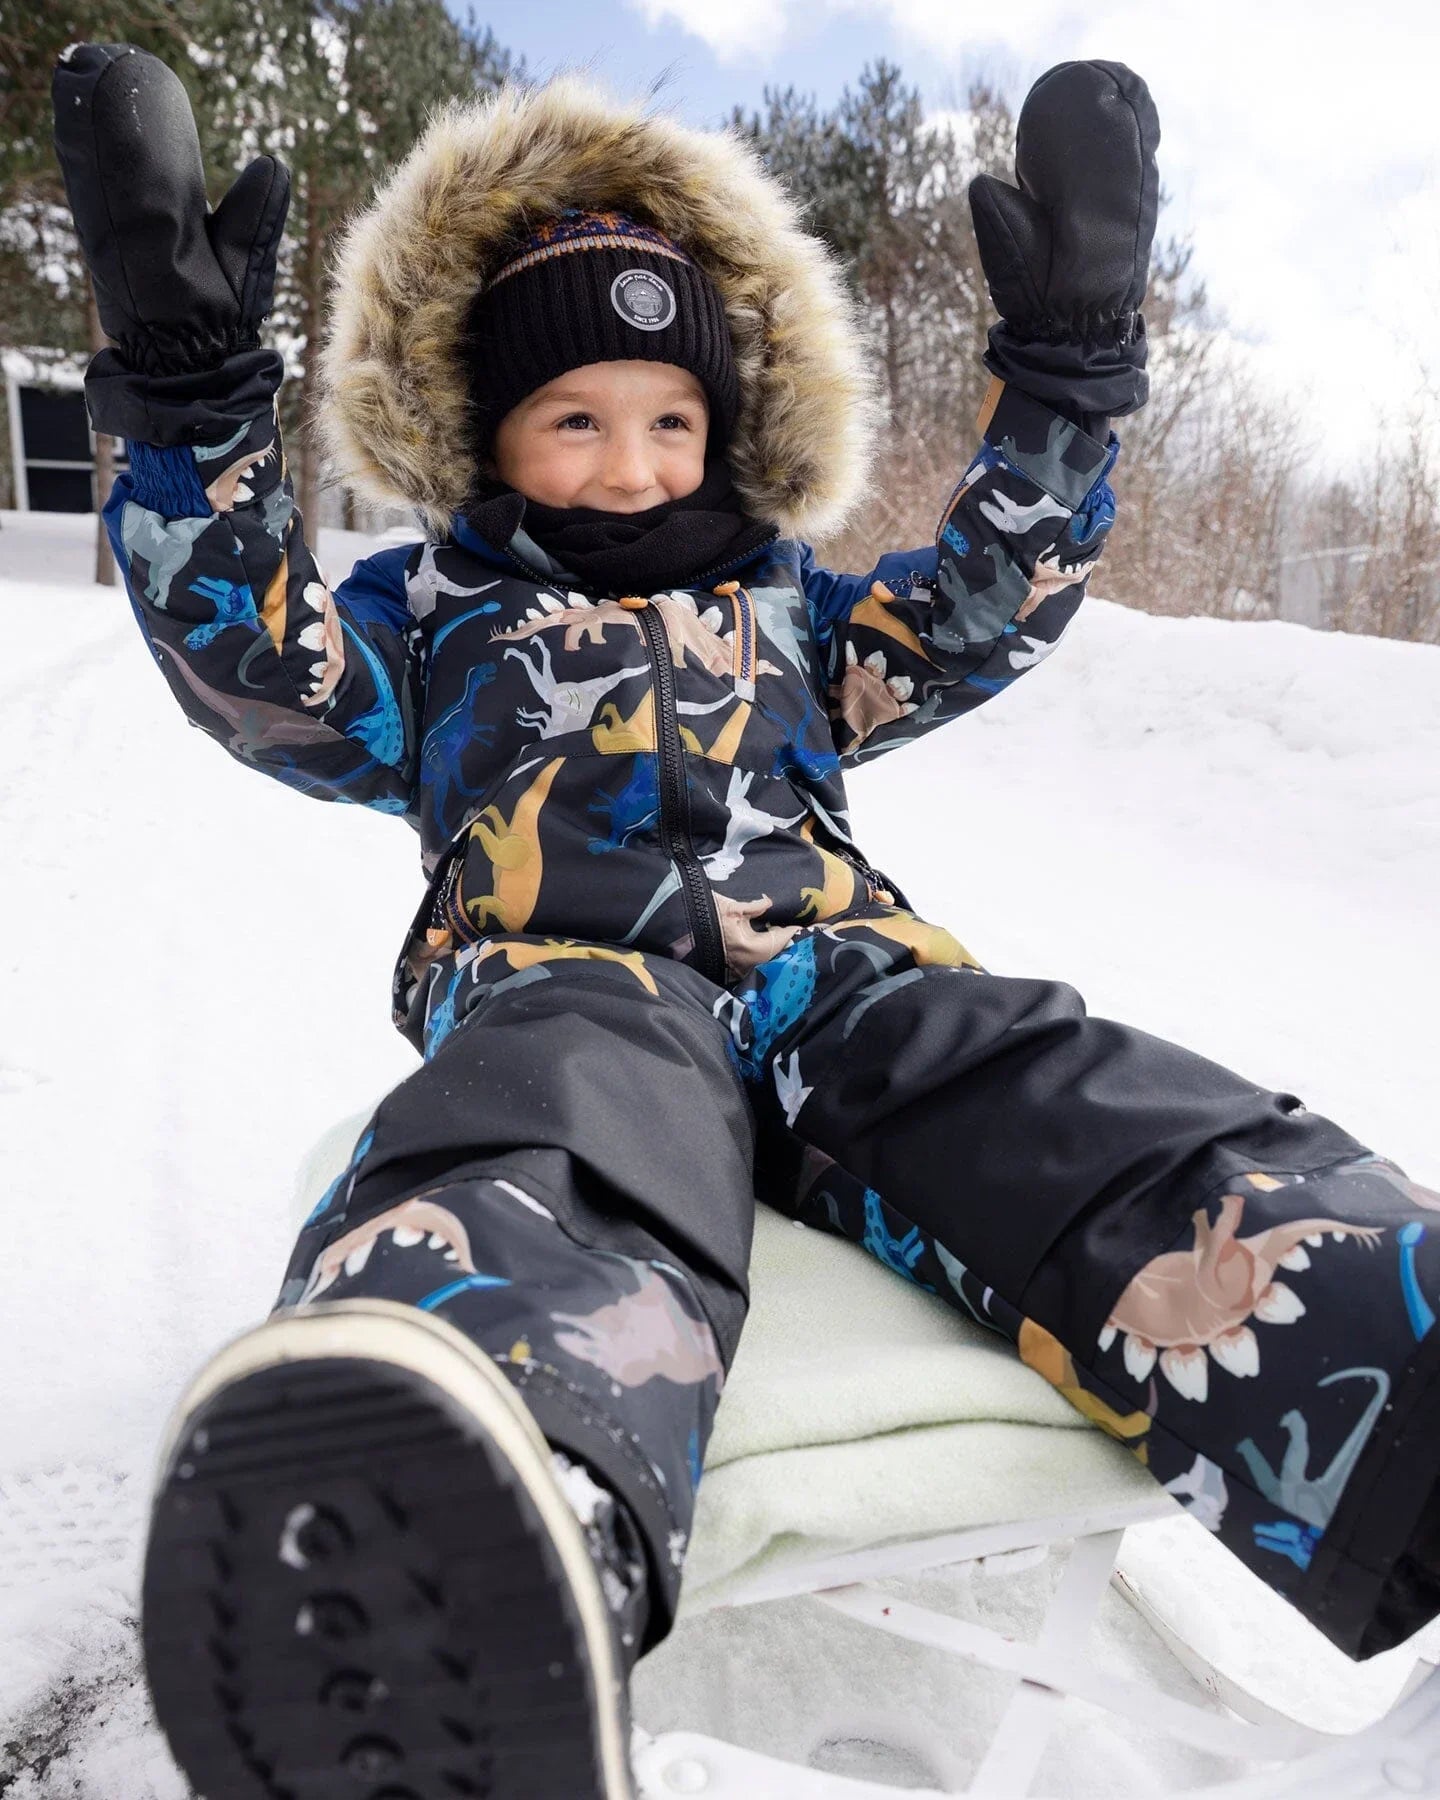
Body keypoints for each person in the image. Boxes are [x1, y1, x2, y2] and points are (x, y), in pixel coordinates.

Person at [53, 46, 1440, 1800]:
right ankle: (470, 1512)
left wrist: (1066, 389)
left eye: (669, 421)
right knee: (551, 1129)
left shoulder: (793, 607)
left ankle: (1396, 1342)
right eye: (575, 419)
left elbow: (987, 608)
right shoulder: (430, 624)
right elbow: (256, 661)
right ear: (487, 433)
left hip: (837, 979)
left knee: (1042, 1082)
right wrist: (188, 404)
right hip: (576, 981)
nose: (631, 467)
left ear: (726, 431)